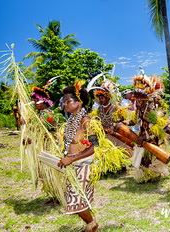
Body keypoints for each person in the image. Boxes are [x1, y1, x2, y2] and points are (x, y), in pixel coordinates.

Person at [57, 83, 99, 232]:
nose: (65, 103)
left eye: (68, 101)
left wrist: (72, 159)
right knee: (75, 200)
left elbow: (94, 146)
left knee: (77, 200)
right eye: (64, 100)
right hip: (73, 165)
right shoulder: (71, 120)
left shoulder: (85, 121)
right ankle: (91, 224)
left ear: (79, 102)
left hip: (83, 166)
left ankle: (93, 226)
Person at [130, 72, 169, 183]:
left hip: (151, 138)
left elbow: (155, 127)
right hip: (142, 137)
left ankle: (155, 175)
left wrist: (147, 136)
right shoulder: (139, 111)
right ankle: (147, 176)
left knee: (148, 159)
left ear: (145, 101)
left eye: (139, 101)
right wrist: (123, 121)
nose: (137, 102)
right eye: (136, 100)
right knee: (143, 160)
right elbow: (134, 122)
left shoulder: (149, 111)